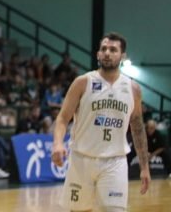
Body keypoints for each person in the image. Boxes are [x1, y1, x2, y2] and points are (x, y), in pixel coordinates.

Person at [53, 32, 150, 211]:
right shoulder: (82, 83)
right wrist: (58, 143)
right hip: (82, 159)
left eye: (113, 50)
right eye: (103, 49)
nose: (107, 53)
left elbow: (137, 128)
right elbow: (62, 118)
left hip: (115, 161)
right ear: (98, 54)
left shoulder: (133, 89)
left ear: (122, 56)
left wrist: (144, 166)